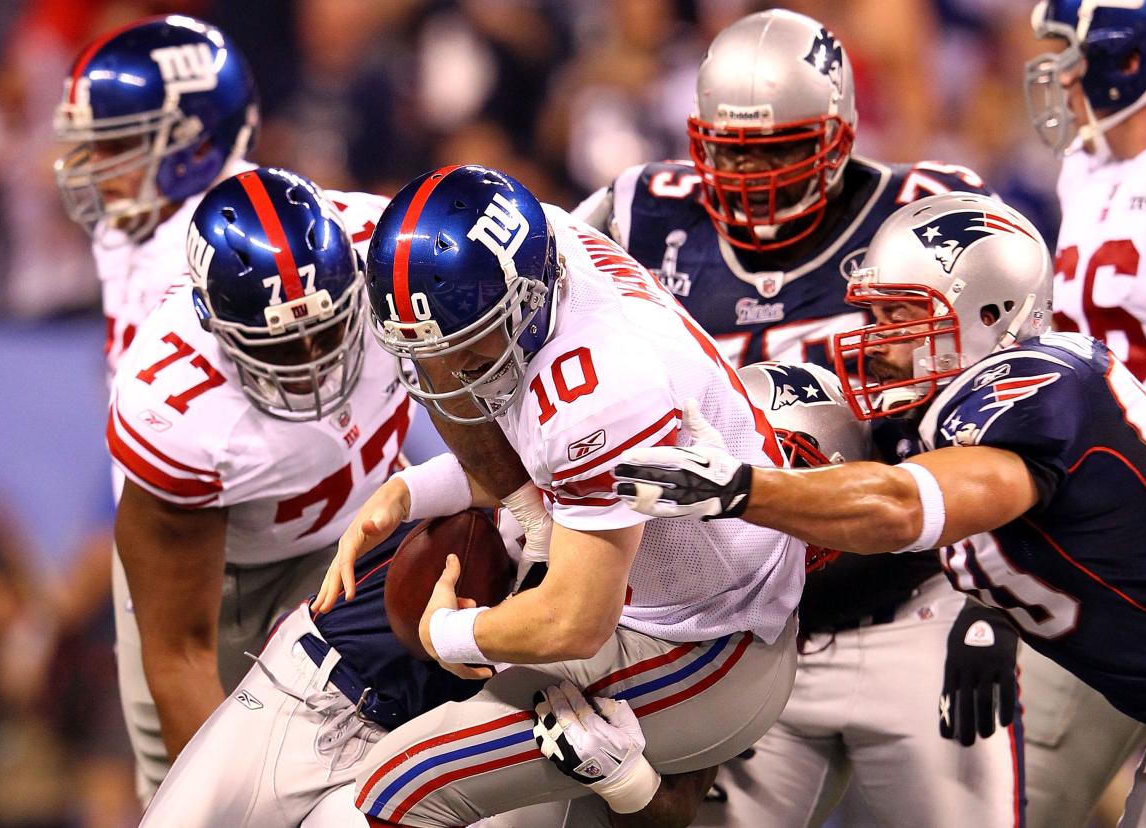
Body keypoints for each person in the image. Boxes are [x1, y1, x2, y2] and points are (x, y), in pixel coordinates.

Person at [573, 10, 1021, 825]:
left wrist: (992, 605)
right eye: (733, 149)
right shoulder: (641, 212)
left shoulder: (930, 216)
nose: (754, 175)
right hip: (738, 628)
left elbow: (1018, 414)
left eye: (780, 147)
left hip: (907, 606)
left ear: (841, 130)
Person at [612, 190, 1146, 828]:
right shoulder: (930, 421)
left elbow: (907, 507)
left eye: (901, 315)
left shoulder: (1040, 380)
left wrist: (739, 487)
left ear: (992, 312)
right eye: (872, 315)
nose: (875, 340)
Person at [311, 163, 804, 827]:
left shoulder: (596, 387)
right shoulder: (539, 242)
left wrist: (446, 634)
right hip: (657, 593)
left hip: (712, 643)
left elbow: (575, 619)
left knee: (390, 795)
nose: (446, 375)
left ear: (527, 299)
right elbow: (554, 468)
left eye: (465, 351)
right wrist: (406, 491)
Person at [108, 166, 412, 797]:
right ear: (212, 325)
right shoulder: (178, 413)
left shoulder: (400, 255)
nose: (314, 364)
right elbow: (180, 654)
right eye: (279, 347)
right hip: (227, 579)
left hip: (376, 519)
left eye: (326, 330)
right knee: (198, 788)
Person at [51, 14, 261, 800]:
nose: (88, 163)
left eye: (118, 142)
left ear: (193, 144)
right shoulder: (135, 221)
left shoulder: (223, 253)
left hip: (214, 533)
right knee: (164, 780)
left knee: (213, 781)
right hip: (156, 520)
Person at [1022, 2, 1146, 822]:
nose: (1063, 75)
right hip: (1099, 514)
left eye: (1075, 55)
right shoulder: (1088, 167)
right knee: (1014, 797)